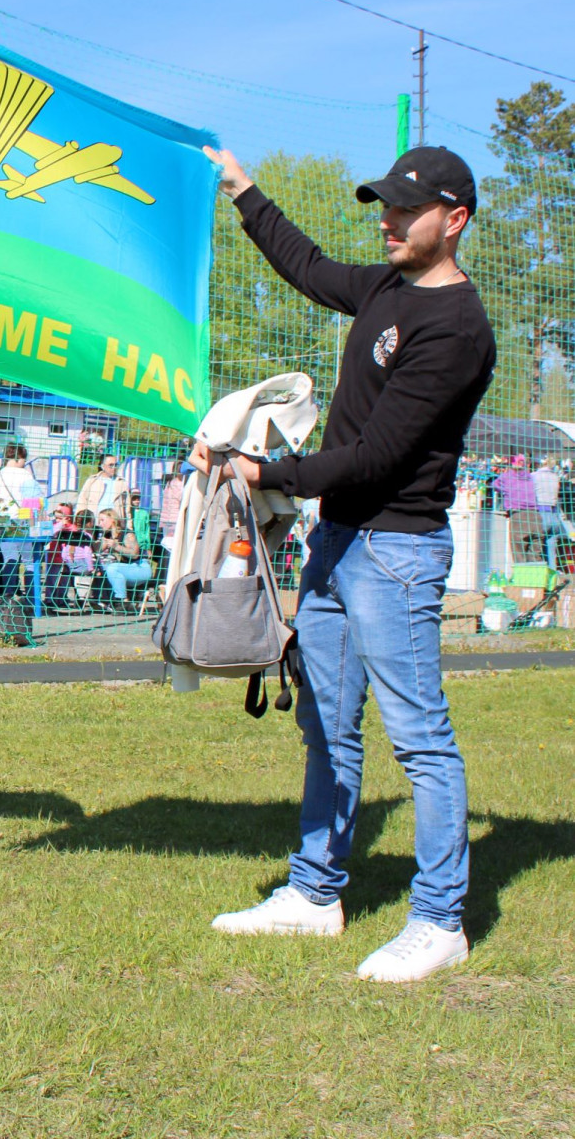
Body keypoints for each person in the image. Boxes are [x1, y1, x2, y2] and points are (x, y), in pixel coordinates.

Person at [202, 143, 495, 983]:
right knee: (326, 722)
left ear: (456, 218)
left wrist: (266, 473)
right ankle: (314, 894)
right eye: (385, 206)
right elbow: (308, 266)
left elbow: (376, 456)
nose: (390, 220)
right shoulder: (384, 287)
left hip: (396, 549)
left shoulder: (458, 329)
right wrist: (245, 192)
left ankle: (440, 920)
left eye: (407, 208)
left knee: (420, 739)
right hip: (336, 543)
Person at [0, 443, 43, 597]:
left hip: (1, 521)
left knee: (9, 559)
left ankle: (8, 596)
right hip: (22, 521)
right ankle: (32, 598)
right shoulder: (25, 475)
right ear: (19, 458)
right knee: (29, 561)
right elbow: (32, 503)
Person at [93, 508, 151, 610]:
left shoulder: (127, 534)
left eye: (102, 520)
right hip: (127, 569)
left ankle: (122, 601)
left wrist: (117, 547)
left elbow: (134, 554)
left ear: (112, 520)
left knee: (112, 568)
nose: (100, 523)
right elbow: (96, 550)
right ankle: (104, 600)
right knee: (102, 568)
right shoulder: (107, 535)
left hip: (141, 567)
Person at [492, 455, 543, 562]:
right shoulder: (530, 476)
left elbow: (494, 485)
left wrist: (506, 491)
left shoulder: (507, 476)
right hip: (536, 516)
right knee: (535, 555)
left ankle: (522, 577)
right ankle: (535, 577)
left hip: (519, 515)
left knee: (519, 554)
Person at [532, 457, 566, 567]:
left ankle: (540, 574)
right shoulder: (555, 477)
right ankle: (553, 572)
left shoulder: (534, 476)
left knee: (537, 546)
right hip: (554, 513)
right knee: (552, 548)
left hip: (541, 512)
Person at [76, 454, 129, 519]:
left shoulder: (122, 483)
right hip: (94, 521)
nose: (114, 468)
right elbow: (82, 501)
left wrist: (129, 527)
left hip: (115, 523)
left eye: (116, 465)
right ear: (102, 466)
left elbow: (127, 508)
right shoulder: (92, 481)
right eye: (111, 465)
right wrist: (79, 519)